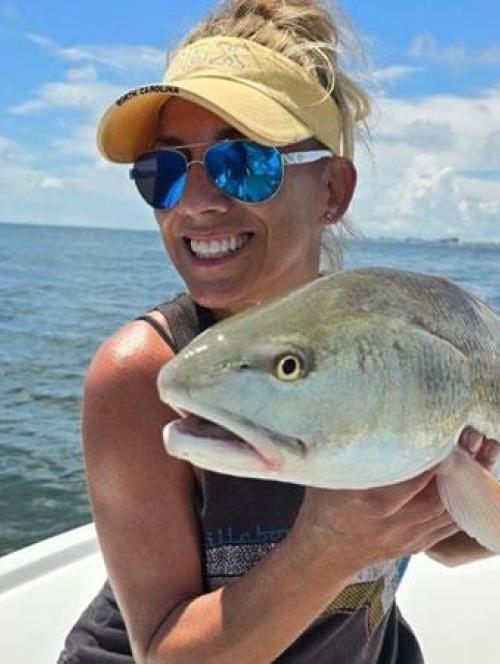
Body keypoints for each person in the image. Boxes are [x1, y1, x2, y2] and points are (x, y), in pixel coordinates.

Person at [58, 1, 499, 662]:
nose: (196, 202)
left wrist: (463, 490)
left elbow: (453, 541)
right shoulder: (142, 375)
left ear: (333, 190)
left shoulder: (390, 356)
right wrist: (331, 544)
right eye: (164, 172)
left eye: (244, 163)